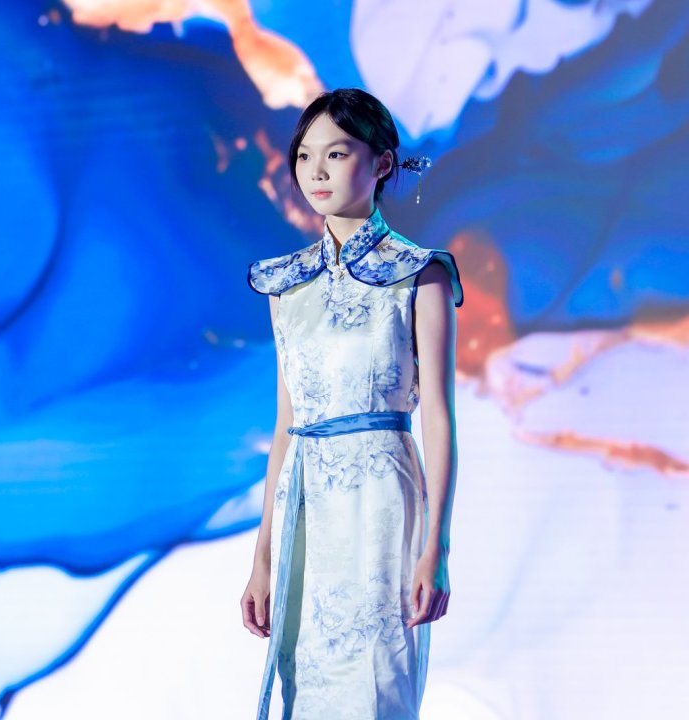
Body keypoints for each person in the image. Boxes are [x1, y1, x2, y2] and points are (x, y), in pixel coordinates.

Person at [241, 87, 464, 719]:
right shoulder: (285, 286)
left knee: (375, 688)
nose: (316, 171)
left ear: (382, 163)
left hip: (382, 506)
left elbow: (439, 420)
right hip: (305, 508)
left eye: (336, 154)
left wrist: (437, 548)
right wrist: (262, 557)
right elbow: (286, 426)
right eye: (304, 156)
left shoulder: (420, 275)